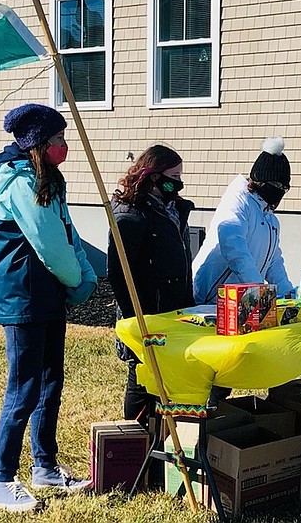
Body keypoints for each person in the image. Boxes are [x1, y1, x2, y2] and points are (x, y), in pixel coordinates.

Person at [0, 103, 97, 512]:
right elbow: (48, 242)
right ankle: (1, 480)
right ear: (38, 144)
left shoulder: (49, 178)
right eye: (58, 140)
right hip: (25, 295)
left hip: (48, 295)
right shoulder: (18, 181)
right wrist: (75, 278)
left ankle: (45, 466)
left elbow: (67, 230)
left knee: (52, 381)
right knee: (24, 387)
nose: (64, 146)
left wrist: (87, 273)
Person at [107, 145, 195, 426]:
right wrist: (136, 317)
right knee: (141, 375)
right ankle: (133, 434)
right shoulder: (130, 215)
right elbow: (120, 274)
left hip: (172, 309)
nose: (179, 182)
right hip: (146, 312)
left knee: (166, 375)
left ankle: (161, 432)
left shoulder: (173, 211)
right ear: (153, 176)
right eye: (173, 175)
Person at [192, 137, 296, 306]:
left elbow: (274, 260)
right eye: (276, 185)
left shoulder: (270, 219)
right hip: (213, 298)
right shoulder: (238, 203)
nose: (280, 192)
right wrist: (258, 289)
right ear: (260, 181)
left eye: (285, 188)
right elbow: (234, 247)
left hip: (243, 302)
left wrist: (287, 294)